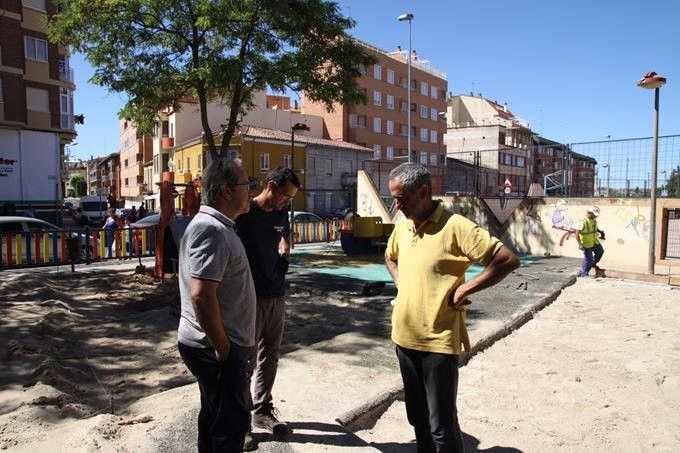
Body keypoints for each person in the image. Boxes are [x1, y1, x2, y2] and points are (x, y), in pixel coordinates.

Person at [384, 163, 519, 452]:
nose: (397, 206)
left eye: (401, 198)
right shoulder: (403, 226)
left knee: (441, 425)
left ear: (423, 192)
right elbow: (390, 257)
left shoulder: (456, 226)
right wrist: (401, 282)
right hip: (404, 338)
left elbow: (507, 259)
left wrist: (467, 287)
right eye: (394, 198)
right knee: (417, 418)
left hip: (438, 342)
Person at [177, 158, 256, 452]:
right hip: (216, 348)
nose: (250, 190)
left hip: (217, 345)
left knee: (214, 416)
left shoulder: (218, 226)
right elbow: (201, 295)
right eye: (247, 184)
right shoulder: (211, 230)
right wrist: (223, 346)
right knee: (229, 427)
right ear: (225, 190)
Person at [235, 167, 300, 444]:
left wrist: (284, 256)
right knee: (245, 362)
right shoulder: (245, 214)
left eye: (290, 198)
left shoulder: (280, 213)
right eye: (284, 196)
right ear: (270, 186)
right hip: (250, 298)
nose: (285, 202)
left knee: (270, 356)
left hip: (277, 295)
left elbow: (285, 239)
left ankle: (261, 410)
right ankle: (240, 424)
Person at [574, 205, 605, 277]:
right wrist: (579, 244)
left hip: (594, 241)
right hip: (586, 243)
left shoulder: (593, 220)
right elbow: (577, 233)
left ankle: (593, 264)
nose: (595, 216)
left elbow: (594, 228)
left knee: (600, 252)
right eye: (594, 215)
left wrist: (600, 232)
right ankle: (584, 273)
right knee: (588, 259)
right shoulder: (582, 221)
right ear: (590, 213)